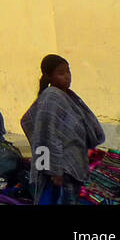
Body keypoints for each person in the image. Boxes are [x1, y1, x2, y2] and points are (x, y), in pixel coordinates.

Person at [21, 54, 104, 204]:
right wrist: (54, 171)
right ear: (49, 76)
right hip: (61, 168)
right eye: (61, 73)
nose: (67, 77)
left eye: (68, 71)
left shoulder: (69, 96)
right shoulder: (51, 98)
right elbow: (45, 137)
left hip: (73, 162)